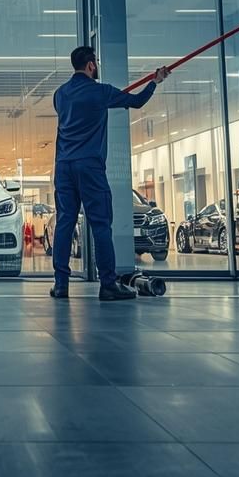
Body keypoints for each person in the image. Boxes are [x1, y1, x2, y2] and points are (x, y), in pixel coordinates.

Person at [47, 46, 167, 301]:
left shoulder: (59, 95)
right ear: (91, 65)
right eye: (96, 62)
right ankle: (108, 285)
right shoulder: (101, 92)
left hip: (64, 167)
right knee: (101, 225)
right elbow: (136, 101)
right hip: (89, 167)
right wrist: (155, 82)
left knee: (65, 223)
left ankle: (60, 285)